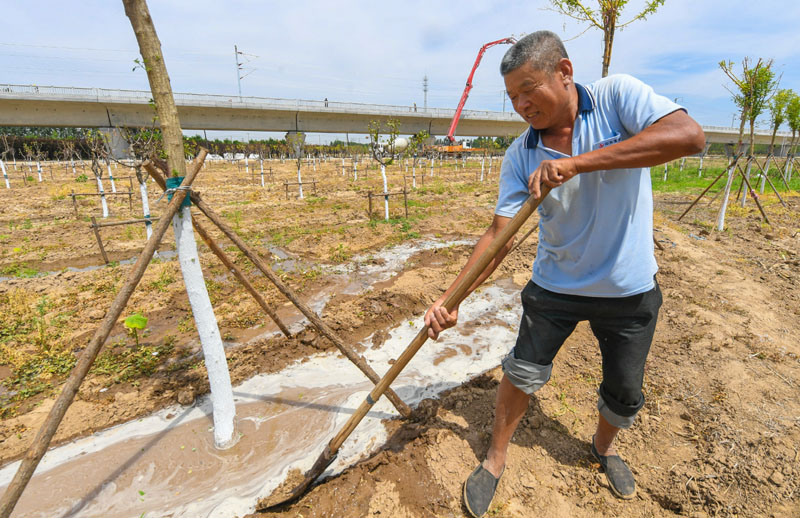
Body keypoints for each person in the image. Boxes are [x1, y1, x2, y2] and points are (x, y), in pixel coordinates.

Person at [424, 31, 704, 518]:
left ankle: (604, 448)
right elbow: (498, 235)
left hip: (629, 288)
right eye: (513, 96)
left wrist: (578, 164)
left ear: (565, 73)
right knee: (521, 373)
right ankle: (494, 459)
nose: (521, 104)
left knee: (625, 389)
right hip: (555, 286)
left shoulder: (618, 98)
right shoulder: (520, 154)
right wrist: (450, 299)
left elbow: (688, 137)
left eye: (529, 89)